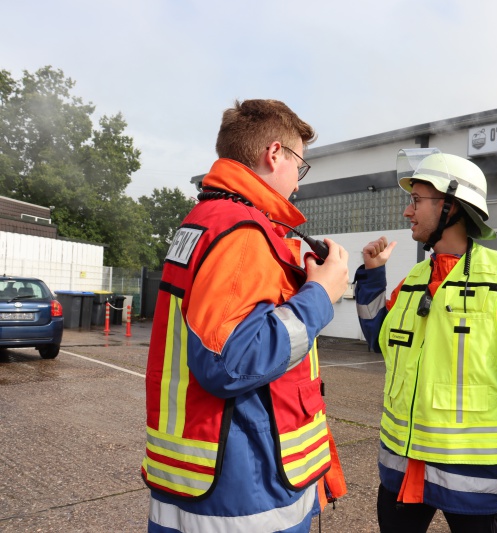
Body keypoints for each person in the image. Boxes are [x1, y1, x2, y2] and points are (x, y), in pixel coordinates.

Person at [142, 99, 349, 532]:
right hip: (244, 492)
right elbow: (229, 363)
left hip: (203, 480)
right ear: (274, 155)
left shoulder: (204, 222)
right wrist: (320, 296)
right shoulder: (243, 232)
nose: (297, 184)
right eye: (299, 167)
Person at [354, 149, 497, 533]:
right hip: (402, 474)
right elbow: (379, 339)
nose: (408, 212)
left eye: (417, 201)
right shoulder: (412, 280)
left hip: (476, 484)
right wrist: (372, 276)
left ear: (451, 207)